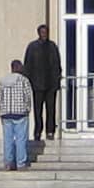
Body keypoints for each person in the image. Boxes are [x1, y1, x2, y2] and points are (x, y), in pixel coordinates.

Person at [21, 22, 63, 156]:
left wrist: (56, 80)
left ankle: (50, 131)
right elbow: (27, 65)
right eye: (42, 32)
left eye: (46, 32)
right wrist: (28, 81)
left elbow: (57, 64)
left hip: (51, 84)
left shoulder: (52, 47)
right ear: (38, 33)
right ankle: (38, 131)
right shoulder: (32, 47)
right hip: (37, 84)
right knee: (38, 110)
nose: (44, 34)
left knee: (51, 108)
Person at [0, 58, 35, 171]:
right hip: (20, 113)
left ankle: (8, 163)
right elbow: (28, 96)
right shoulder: (24, 80)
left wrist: (1, 112)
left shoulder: (2, 80)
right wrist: (28, 109)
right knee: (21, 139)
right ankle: (21, 163)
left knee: (7, 139)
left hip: (6, 113)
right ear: (18, 67)